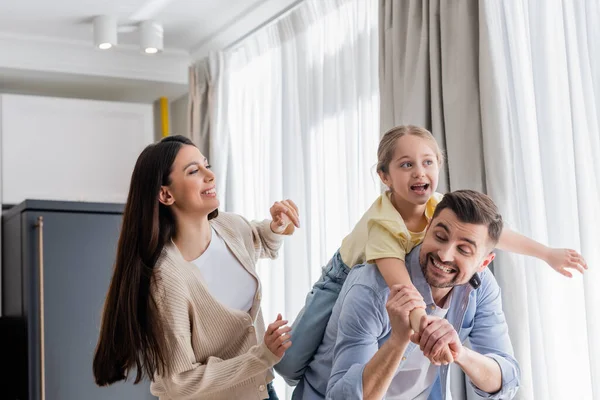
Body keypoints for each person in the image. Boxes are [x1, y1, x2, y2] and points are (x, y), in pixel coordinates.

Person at [275, 125, 587, 381]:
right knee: (288, 366)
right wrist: (426, 329)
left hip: (392, 276)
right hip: (344, 276)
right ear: (384, 176)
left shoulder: (440, 206)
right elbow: (402, 288)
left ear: (439, 166)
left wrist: (547, 253)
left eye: (428, 162)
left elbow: (494, 235)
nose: (419, 172)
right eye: (406, 164)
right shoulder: (383, 225)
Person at [92, 135, 299, 400]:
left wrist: (276, 226)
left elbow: (261, 242)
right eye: (194, 171)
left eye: (206, 165)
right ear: (166, 194)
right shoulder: (168, 279)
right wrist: (262, 356)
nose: (209, 176)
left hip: (261, 392)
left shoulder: (230, 227)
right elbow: (179, 382)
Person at [294, 190, 521, 399]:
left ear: (484, 263)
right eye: (440, 236)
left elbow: (508, 379)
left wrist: (460, 353)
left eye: (464, 250)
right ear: (428, 228)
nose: (444, 255)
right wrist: (398, 340)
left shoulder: (479, 287)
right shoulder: (372, 288)